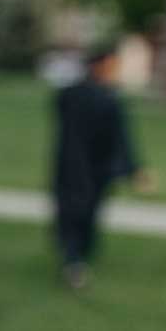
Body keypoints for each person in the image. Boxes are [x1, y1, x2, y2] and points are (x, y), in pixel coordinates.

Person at [51, 46, 150, 290]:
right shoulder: (99, 97)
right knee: (79, 213)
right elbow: (122, 137)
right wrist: (133, 169)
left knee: (80, 213)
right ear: (100, 65)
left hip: (82, 166)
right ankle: (74, 261)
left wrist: (133, 168)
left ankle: (75, 260)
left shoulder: (75, 94)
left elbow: (119, 137)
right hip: (83, 166)